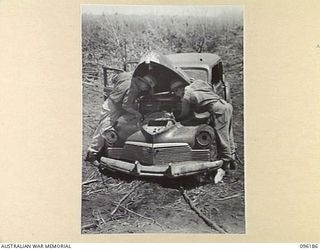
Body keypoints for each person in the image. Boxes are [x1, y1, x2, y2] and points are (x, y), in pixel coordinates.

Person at [85, 72, 156, 165]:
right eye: (146, 87)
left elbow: (114, 78)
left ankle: (116, 145)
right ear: (142, 82)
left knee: (121, 125)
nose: (145, 89)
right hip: (113, 107)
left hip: (114, 103)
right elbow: (126, 106)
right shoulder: (133, 89)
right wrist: (138, 114)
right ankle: (92, 154)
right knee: (105, 127)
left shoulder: (127, 76)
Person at [170, 79, 237, 173]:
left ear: (180, 89)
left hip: (219, 111)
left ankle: (226, 164)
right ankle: (232, 157)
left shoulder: (186, 96)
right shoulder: (197, 84)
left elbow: (185, 114)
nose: (176, 94)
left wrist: (175, 118)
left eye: (175, 92)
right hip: (226, 106)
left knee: (222, 137)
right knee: (228, 134)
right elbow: (207, 85)